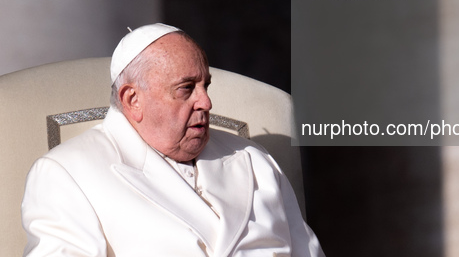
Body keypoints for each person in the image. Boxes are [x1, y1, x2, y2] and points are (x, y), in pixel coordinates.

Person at [21, 23, 324, 257]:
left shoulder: (254, 159)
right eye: (186, 88)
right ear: (133, 99)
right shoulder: (67, 173)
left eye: (205, 85)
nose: (206, 102)